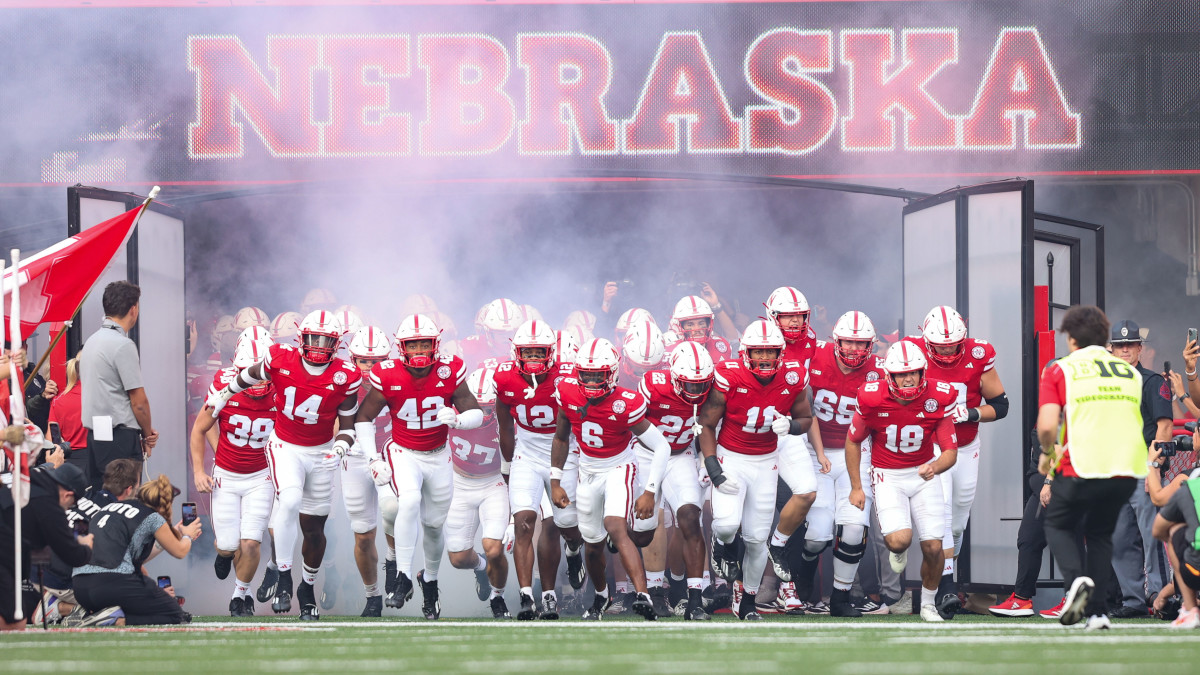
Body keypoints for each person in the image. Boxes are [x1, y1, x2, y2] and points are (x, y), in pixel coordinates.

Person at [207, 310, 361, 620]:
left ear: (337, 343)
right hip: (286, 445)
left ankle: (307, 587)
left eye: (325, 340)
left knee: (315, 529)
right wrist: (226, 393)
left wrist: (342, 447)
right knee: (289, 501)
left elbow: (348, 425)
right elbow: (251, 374)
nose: (318, 345)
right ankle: (285, 580)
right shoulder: (281, 357)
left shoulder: (347, 374)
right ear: (300, 338)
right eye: (313, 338)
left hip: (321, 451)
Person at [349, 313, 482, 621]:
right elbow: (364, 418)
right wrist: (372, 459)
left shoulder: (450, 370)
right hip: (403, 451)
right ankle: (404, 576)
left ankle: (431, 582)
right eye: (413, 345)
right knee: (407, 501)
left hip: (438, 454)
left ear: (435, 345)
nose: (420, 351)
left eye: (425, 344)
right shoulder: (387, 373)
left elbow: (473, 409)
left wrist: (459, 420)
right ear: (402, 348)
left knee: (435, 526)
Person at [1037, 305, 1147, 629]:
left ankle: (1075, 583)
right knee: (1100, 535)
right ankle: (1098, 613)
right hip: (1127, 469)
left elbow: (1046, 426)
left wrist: (1047, 453)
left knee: (1057, 524)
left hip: (1083, 466)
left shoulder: (1060, 369)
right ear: (1106, 338)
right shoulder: (1132, 373)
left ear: (1071, 340)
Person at [700, 319, 814, 621]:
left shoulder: (792, 378)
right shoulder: (728, 377)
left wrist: (791, 425)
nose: (764, 358)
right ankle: (720, 543)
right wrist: (713, 465)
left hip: (766, 461)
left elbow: (807, 419)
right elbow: (707, 424)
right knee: (726, 524)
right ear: (745, 352)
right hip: (731, 458)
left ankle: (747, 601)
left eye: (770, 352)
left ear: (781, 353)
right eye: (758, 351)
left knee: (755, 539)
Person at [551, 338, 670, 621]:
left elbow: (662, 446)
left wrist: (650, 491)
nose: (591, 381)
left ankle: (643, 595)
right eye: (587, 375)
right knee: (591, 544)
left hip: (620, 466)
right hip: (588, 471)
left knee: (615, 526)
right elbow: (560, 436)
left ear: (613, 373)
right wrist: (555, 480)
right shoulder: (567, 391)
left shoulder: (625, 402)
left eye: (598, 375)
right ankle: (602, 598)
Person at [904, 305, 1009, 618]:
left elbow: (1001, 405)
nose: (948, 351)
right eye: (941, 346)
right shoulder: (912, 352)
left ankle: (945, 572)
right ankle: (946, 588)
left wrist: (972, 413)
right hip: (932, 445)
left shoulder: (979, 353)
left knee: (958, 521)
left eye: (953, 345)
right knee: (943, 510)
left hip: (965, 445)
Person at [845, 341, 959, 622]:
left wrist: (934, 466)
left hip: (923, 473)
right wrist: (857, 486)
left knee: (934, 547)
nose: (908, 378)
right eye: (901, 373)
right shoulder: (871, 398)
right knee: (898, 542)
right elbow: (853, 441)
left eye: (914, 372)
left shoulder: (938, 397)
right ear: (889, 375)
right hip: (888, 476)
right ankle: (899, 550)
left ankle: (929, 604)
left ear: (923, 372)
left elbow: (950, 451)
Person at [792, 311, 887, 618]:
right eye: (849, 342)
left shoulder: (881, 370)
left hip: (856, 453)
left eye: (861, 344)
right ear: (836, 340)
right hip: (814, 451)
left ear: (871, 345)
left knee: (854, 529)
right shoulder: (814, 358)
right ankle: (803, 583)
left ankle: (841, 598)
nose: (854, 350)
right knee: (817, 534)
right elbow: (801, 406)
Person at [495, 319, 585, 620]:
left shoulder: (567, 376)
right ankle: (530, 597)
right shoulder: (505, 378)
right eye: (528, 352)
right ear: (517, 352)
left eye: (539, 352)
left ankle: (574, 551)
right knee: (525, 520)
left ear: (551, 352)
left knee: (565, 525)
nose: (533, 358)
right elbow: (505, 425)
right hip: (527, 453)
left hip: (564, 454)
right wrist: (507, 465)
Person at [190, 327, 276, 617]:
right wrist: (199, 471)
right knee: (228, 546)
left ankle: (241, 596)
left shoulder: (282, 388)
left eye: (259, 370)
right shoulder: (224, 385)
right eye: (247, 371)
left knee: (251, 543)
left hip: (260, 476)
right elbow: (200, 427)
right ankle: (224, 554)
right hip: (226, 474)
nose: (254, 378)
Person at [638, 341, 715, 620]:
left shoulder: (711, 386)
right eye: (689, 385)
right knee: (649, 522)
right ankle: (656, 590)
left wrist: (707, 459)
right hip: (645, 455)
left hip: (680, 455)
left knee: (690, 517)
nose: (695, 391)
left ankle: (693, 598)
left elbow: (709, 425)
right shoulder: (653, 384)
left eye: (701, 385)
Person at [1107, 319, 1172, 618]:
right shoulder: (1106, 387)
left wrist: (1153, 469)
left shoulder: (1152, 381)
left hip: (1144, 471)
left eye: (1129, 345)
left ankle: (1160, 598)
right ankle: (1133, 600)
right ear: (1111, 349)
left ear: (1139, 349)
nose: (1124, 350)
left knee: (1152, 536)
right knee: (1119, 539)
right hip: (1115, 472)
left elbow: (1164, 427)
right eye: (1119, 345)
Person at [73, 475, 201, 626]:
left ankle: (93, 613)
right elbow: (180, 551)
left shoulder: (110, 507)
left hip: (80, 587)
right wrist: (188, 535)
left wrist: (175, 534)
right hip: (111, 583)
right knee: (174, 614)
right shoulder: (152, 517)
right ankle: (116, 621)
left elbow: (125, 555)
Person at [445, 367, 513, 619]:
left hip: (494, 484)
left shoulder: (507, 421)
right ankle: (481, 567)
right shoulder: (451, 415)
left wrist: (516, 516)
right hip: (459, 483)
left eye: (489, 407)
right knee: (459, 558)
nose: (485, 413)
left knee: (495, 547)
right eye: (479, 406)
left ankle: (498, 597)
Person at [79, 281, 157, 485]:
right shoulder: (123, 345)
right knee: (125, 501)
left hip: (96, 436)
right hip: (120, 437)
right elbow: (139, 402)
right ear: (134, 309)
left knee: (100, 499)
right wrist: (148, 435)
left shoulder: (91, 342)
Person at [0, 461, 93, 630]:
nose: (68, 509)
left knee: (14, 618)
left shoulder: (28, 484)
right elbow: (72, 555)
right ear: (67, 495)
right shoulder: (48, 505)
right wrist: (85, 546)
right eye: (72, 503)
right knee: (13, 622)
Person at [341, 325, 391, 617]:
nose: (370, 367)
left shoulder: (400, 377)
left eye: (376, 361)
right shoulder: (343, 381)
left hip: (391, 452)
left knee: (395, 514)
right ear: (353, 360)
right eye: (364, 361)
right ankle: (373, 595)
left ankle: (397, 568)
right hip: (356, 456)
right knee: (363, 535)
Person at [1149, 423, 1200, 628]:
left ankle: (1190, 609)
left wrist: (1152, 465)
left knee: (1175, 531)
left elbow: (1158, 500)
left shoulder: (1190, 480)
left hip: (1195, 568)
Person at [49, 357, 88, 475]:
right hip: (93, 458)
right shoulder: (95, 397)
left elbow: (51, 436)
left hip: (67, 460)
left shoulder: (58, 400)